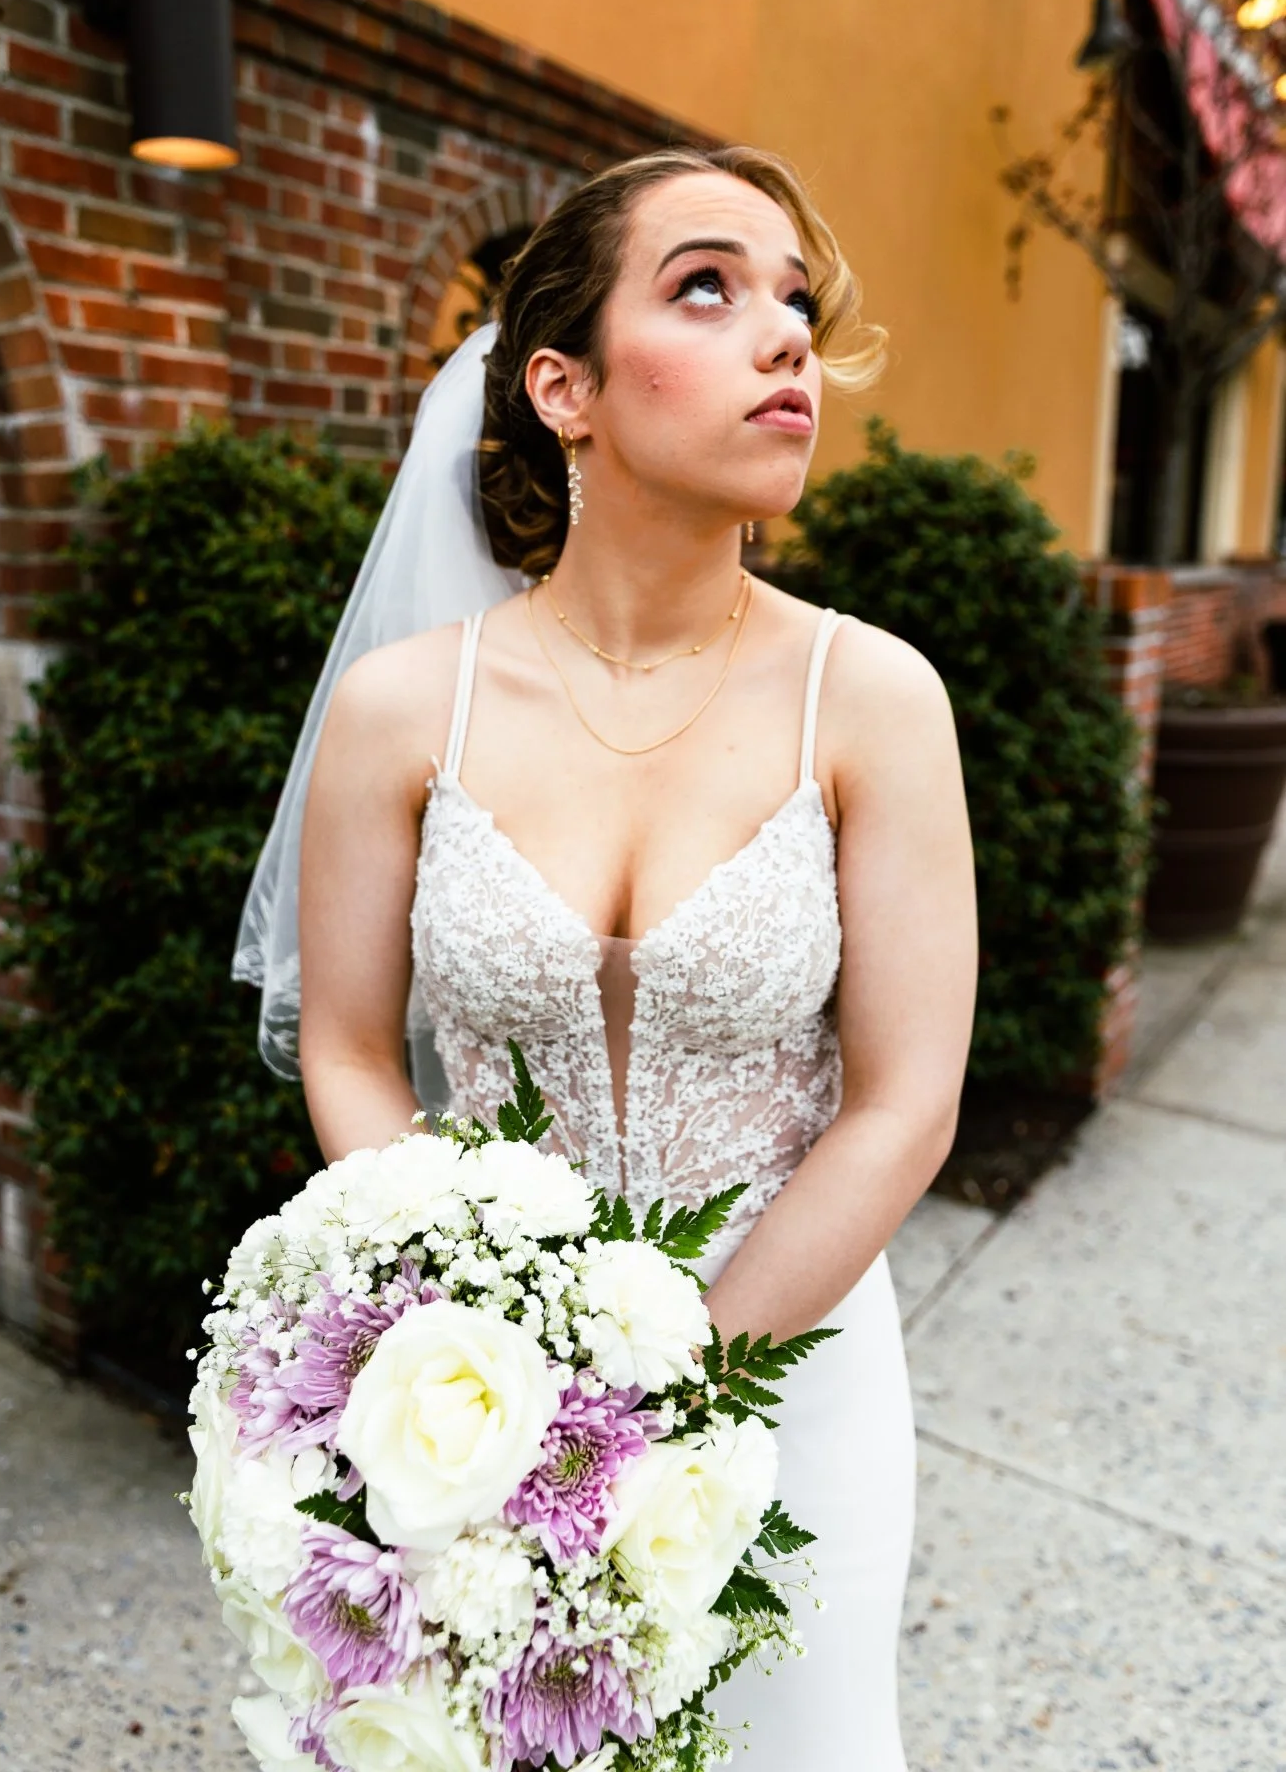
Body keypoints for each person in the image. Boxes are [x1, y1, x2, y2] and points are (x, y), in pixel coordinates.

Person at [235, 145, 978, 1767]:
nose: (783, 335)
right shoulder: (400, 712)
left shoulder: (872, 701)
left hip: (799, 1378)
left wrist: (675, 1389)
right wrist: (481, 1330)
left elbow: (907, 1099)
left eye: (794, 298)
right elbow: (353, 1047)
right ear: (562, 386)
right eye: (706, 286)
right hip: (483, 1401)